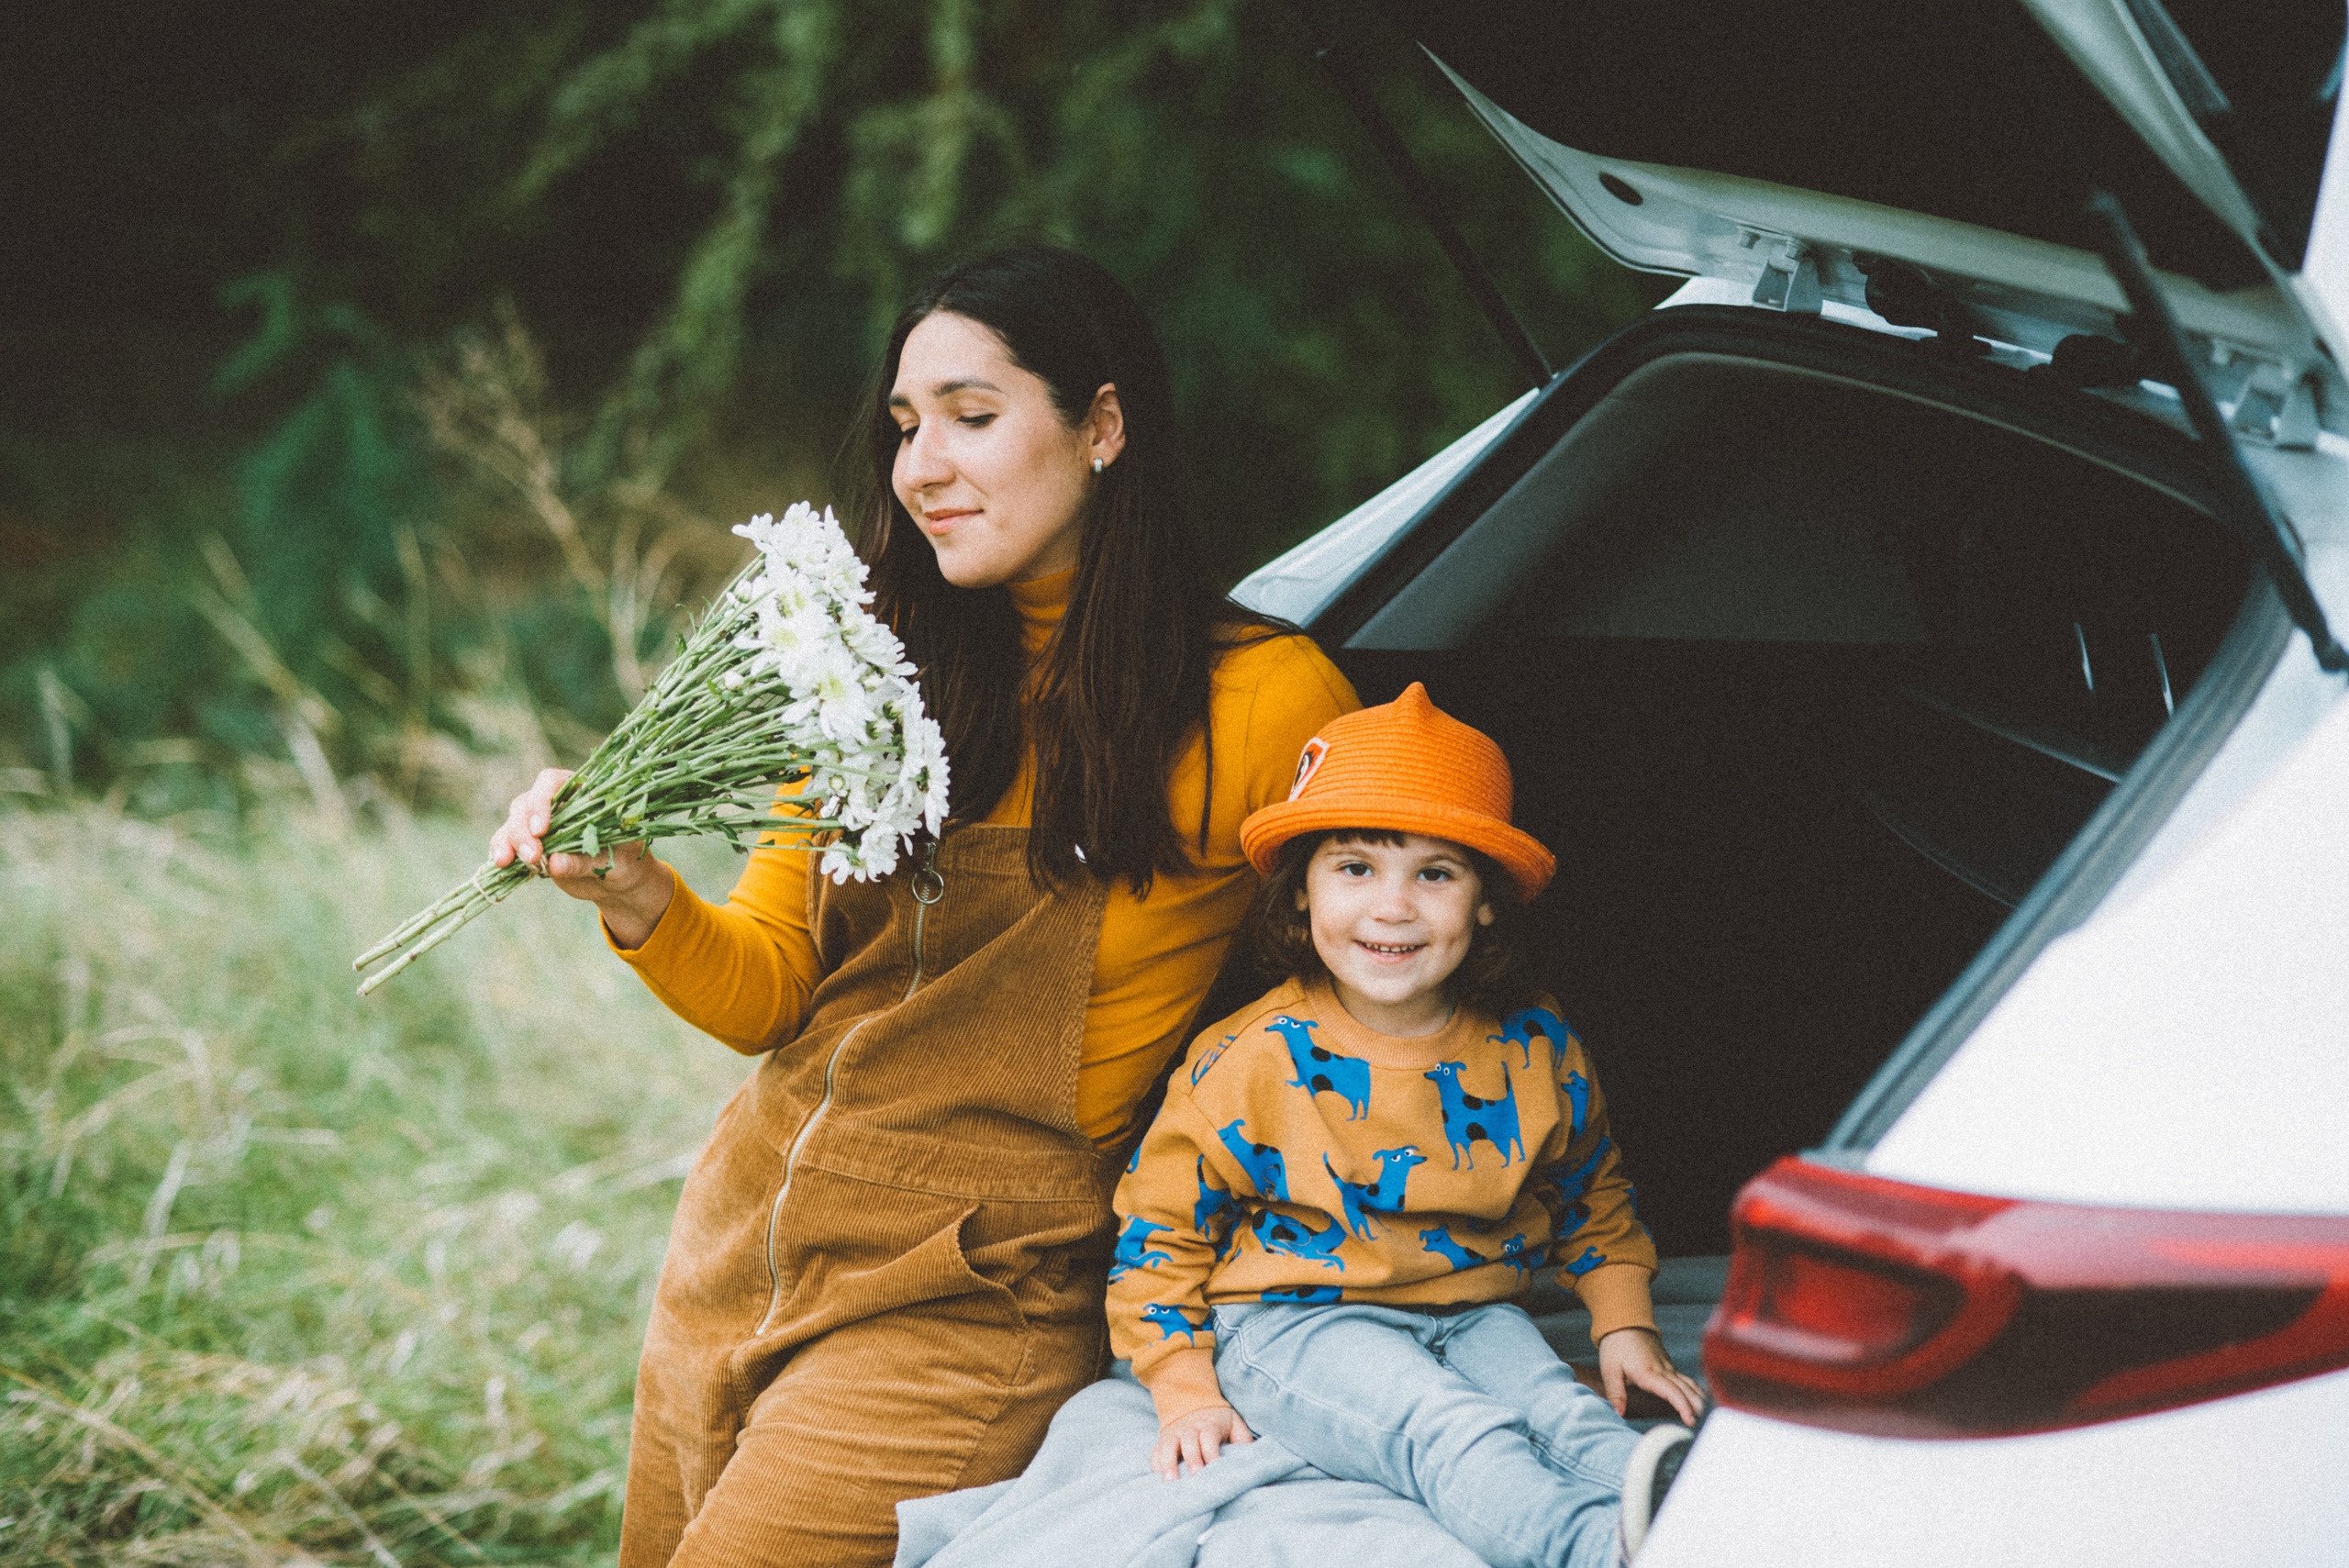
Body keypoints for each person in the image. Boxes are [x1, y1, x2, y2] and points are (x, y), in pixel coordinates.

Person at [487, 246, 1358, 1566]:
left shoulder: (1265, 703)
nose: (921, 467)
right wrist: (634, 890)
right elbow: (770, 983)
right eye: (904, 428)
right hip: (748, 1236)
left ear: (1104, 427)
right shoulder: (866, 671)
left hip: (972, 1292)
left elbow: (1371, 973)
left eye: (971, 415)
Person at [1106, 683, 1708, 1567]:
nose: (1393, 905)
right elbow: (1159, 1230)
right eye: (1355, 867)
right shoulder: (1248, 1057)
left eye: (1435, 872)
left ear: (1486, 899)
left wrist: (1625, 1327)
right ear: (1303, 893)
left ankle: (1708, 1513)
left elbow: (1592, 1193)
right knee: (1450, 1428)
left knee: (1558, 1405)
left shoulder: (1533, 1042)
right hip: (1293, 1321)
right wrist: (1182, 1383)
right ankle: (1599, 1550)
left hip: (1471, 1306)